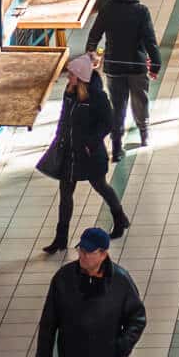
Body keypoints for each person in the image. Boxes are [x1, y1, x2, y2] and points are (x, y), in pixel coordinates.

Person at [35, 225, 146, 357]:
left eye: (88, 252)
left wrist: (122, 345)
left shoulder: (120, 281)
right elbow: (48, 321)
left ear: (103, 254)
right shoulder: (64, 279)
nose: (82, 255)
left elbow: (137, 317)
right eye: (81, 250)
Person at [39, 56, 130, 252]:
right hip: (69, 152)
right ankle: (60, 238)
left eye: (71, 75)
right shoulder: (70, 92)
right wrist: (59, 136)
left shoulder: (97, 97)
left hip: (90, 155)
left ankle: (119, 218)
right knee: (65, 194)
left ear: (80, 77)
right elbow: (64, 117)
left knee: (100, 186)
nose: (68, 78)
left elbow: (108, 123)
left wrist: (91, 142)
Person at [86, 0, 160, 160]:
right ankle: (144, 135)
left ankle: (117, 149)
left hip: (114, 67)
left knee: (117, 106)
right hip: (137, 66)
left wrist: (91, 52)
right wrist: (155, 65)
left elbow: (94, 34)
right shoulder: (141, 11)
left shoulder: (107, 9)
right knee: (140, 101)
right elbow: (150, 40)